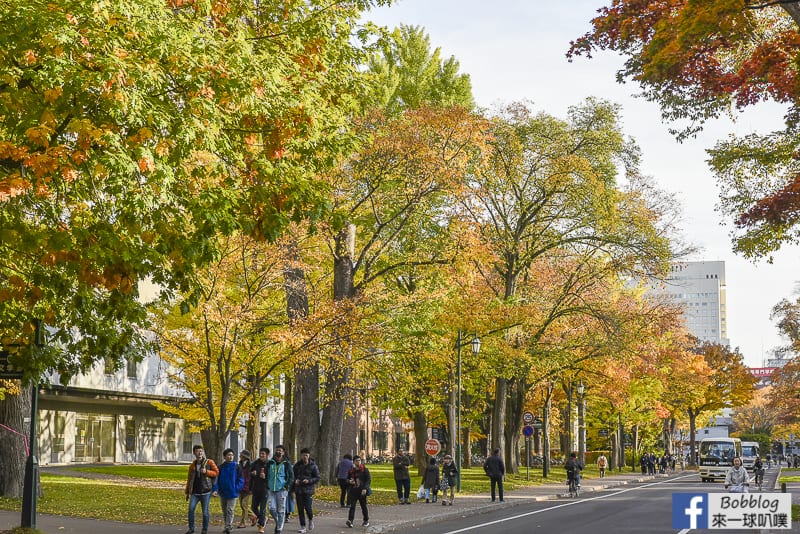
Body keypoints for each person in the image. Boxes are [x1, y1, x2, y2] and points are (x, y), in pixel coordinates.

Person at [185, 445, 219, 534]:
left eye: (201, 451)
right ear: (194, 453)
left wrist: (207, 472)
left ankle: (204, 529)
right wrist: (187, 491)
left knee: (205, 512)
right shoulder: (192, 465)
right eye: (197, 451)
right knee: (191, 510)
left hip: (206, 492)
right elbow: (189, 479)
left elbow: (216, 472)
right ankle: (191, 529)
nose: (199, 453)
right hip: (195, 492)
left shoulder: (209, 462)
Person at [213, 448, 245, 534]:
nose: (230, 457)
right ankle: (227, 525)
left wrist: (237, 488)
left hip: (233, 492)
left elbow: (241, 479)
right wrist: (216, 490)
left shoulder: (237, 466)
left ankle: (228, 527)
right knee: (224, 511)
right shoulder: (221, 467)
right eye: (228, 455)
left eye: (232, 455)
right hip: (223, 492)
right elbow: (216, 480)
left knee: (230, 510)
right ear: (224, 457)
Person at [267, 444, 294, 534]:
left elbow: (291, 477)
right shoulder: (270, 462)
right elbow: (267, 474)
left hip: (282, 489)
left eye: (280, 450)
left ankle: (279, 528)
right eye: (277, 450)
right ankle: (279, 521)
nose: (278, 452)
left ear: (283, 453)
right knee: (271, 508)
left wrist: (286, 486)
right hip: (271, 489)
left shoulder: (286, 463)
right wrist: (267, 483)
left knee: (281, 510)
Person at [293, 448, 320, 534]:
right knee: (300, 509)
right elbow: (292, 476)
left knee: (308, 507)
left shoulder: (313, 466)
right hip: (299, 490)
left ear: (309, 456)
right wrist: (295, 481)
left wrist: (309, 481)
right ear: (301, 455)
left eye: (307, 455)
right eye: (303, 455)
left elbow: (317, 477)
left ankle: (311, 519)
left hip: (308, 490)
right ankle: (303, 526)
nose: (305, 457)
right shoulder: (297, 465)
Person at [250, 448, 271, 533]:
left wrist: (266, 477)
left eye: (263, 454)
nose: (261, 455)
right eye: (260, 453)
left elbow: (272, 477)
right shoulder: (255, 463)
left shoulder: (270, 464)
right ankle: (263, 518)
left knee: (262, 508)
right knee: (254, 507)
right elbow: (249, 472)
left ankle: (261, 526)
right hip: (256, 488)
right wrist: (252, 473)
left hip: (265, 489)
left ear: (267, 455)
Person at [346, 455, 371, 528]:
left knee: (363, 506)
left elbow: (368, 480)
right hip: (353, 491)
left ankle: (366, 520)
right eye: (356, 461)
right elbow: (347, 479)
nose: (358, 462)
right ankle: (350, 521)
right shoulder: (351, 471)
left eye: (359, 460)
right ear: (353, 462)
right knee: (352, 506)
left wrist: (365, 488)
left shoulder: (364, 470)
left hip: (362, 491)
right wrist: (349, 481)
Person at [237, 450, 257, 529]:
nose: (240, 457)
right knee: (242, 505)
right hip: (241, 487)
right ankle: (253, 517)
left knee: (244, 505)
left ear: (245, 457)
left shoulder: (251, 466)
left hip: (248, 488)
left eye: (241, 455)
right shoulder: (239, 465)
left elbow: (253, 477)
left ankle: (243, 522)